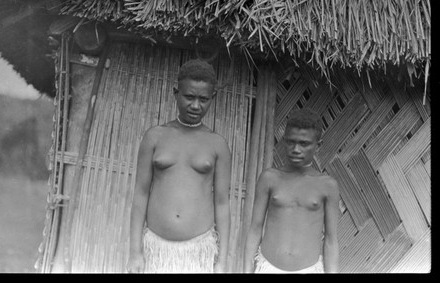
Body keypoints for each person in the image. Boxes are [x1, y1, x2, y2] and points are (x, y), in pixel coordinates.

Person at [127, 59, 232, 273]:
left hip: (199, 251)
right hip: (156, 249)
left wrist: (222, 260)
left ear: (213, 98)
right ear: (176, 92)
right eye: (189, 97)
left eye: (203, 99)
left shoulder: (217, 144)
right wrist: (135, 252)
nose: (195, 105)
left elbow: (222, 203)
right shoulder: (155, 137)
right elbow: (140, 194)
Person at [243, 108, 340, 273]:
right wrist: (246, 270)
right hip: (268, 267)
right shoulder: (270, 178)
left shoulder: (327, 186)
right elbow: (255, 228)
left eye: (304, 144)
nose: (296, 149)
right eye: (290, 142)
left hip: (308, 269)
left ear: (318, 145)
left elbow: (331, 240)